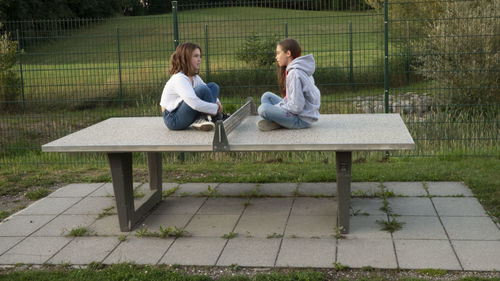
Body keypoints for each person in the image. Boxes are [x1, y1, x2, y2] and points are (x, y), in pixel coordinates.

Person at [257, 38, 320, 131]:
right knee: (266, 96)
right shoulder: (299, 69)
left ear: (288, 54)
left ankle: (279, 121)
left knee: (263, 109)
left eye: (278, 53)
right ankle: (279, 121)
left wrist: (276, 108)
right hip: (299, 112)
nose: (276, 57)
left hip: (301, 119)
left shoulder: (295, 74)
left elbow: (296, 107)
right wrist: (279, 108)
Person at [160, 42, 223, 131]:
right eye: (196, 56)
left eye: (200, 56)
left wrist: (218, 103)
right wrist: (216, 108)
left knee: (213, 86)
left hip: (185, 111)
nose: (199, 59)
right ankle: (214, 117)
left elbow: (208, 90)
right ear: (186, 58)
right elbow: (194, 103)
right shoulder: (179, 78)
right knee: (202, 89)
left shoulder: (195, 77)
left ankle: (205, 118)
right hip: (173, 119)